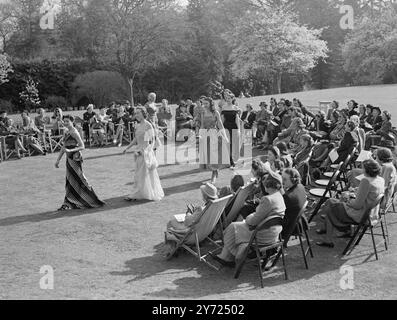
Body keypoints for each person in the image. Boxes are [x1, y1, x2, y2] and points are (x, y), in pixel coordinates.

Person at [210, 172, 286, 267]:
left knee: (233, 227)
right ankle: (228, 255)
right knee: (236, 227)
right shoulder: (279, 197)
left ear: (268, 184)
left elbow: (253, 220)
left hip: (262, 235)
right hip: (273, 234)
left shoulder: (268, 199)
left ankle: (227, 256)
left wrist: (249, 217)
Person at [316, 159, 385, 248]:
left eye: (363, 168)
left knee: (331, 207)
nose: (362, 170)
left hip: (361, 214)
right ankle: (326, 229)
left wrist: (347, 199)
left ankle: (329, 238)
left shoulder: (366, 181)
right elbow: (369, 195)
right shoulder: (380, 179)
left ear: (367, 170)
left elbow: (357, 205)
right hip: (371, 213)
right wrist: (354, 194)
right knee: (330, 201)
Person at [54, 115, 104, 211]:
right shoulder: (66, 131)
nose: (65, 123)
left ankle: (91, 199)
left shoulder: (74, 132)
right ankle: (68, 202)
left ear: (72, 122)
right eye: (64, 121)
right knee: (69, 180)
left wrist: (71, 150)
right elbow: (63, 147)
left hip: (75, 158)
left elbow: (82, 146)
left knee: (80, 178)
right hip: (69, 158)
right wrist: (58, 160)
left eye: (67, 121)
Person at [164, 183, 218, 256]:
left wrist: (189, 212)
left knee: (171, 222)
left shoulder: (201, 209)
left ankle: (172, 249)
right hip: (205, 233)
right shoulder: (216, 207)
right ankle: (176, 247)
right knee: (175, 222)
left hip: (194, 236)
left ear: (205, 195)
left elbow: (187, 222)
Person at [123, 107, 164, 202]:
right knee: (138, 174)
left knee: (143, 174)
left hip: (145, 153)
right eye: (135, 113)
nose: (136, 115)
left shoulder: (148, 125)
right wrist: (127, 148)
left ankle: (136, 194)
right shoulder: (137, 125)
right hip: (138, 152)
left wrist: (146, 151)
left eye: (138, 113)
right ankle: (138, 193)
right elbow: (136, 139)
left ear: (143, 113)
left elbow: (152, 141)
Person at [198, 97, 229, 184]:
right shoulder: (203, 113)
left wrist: (225, 136)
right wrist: (200, 135)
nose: (204, 105)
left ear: (211, 104)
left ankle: (214, 173)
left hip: (214, 135)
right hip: (206, 136)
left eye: (206, 103)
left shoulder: (216, 113)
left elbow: (220, 125)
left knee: (214, 155)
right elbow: (202, 125)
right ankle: (214, 172)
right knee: (209, 156)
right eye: (203, 103)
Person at [281, 168, 308, 240]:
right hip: (300, 222)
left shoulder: (287, 196)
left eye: (285, 179)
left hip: (290, 228)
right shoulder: (300, 186)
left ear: (293, 180)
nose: (282, 181)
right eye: (282, 178)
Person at [221, 91, 241, 168]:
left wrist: (239, 129)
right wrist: (221, 128)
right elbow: (222, 118)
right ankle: (229, 160)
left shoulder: (235, 107)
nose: (228, 100)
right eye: (227, 98)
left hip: (234, 127)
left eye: (229, 98)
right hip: (226, 127)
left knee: (234, 144)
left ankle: (233, 160)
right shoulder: (224, 107)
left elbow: (237, 119)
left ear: (232, 99)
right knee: (227, 143)